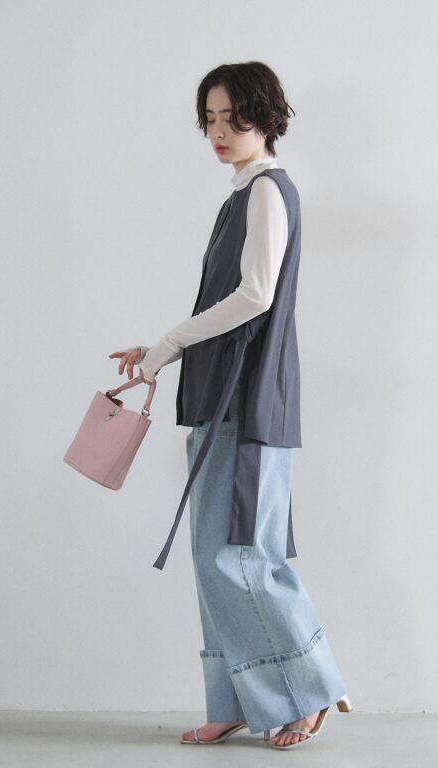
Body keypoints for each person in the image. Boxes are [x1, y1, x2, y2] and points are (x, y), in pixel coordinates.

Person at [109, 61, 351, 750]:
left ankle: (307, 692)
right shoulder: (242, 194)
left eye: (232, 118)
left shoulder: (267, 190)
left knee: (242, 554)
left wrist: (168, 343)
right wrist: (165, 351)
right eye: (210, 120)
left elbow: (255, 295)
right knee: (213, 554)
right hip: (225, 397)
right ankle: (238, 697)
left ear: (266, 118)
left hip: (248, 399)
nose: (219, 132)